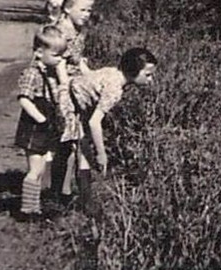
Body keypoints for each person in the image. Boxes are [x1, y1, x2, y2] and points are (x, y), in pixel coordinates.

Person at [68, 46, 159, 185]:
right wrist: (101, 153)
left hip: (75, 100)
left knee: (80, 148)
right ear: (133, 71)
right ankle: (66, 195)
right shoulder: (115, 90)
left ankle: (66, 194)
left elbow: (90, 77)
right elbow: (94, 122)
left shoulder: (111, 72)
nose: (150, 79)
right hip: (68, 103)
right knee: (73, 149)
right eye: (147, 75)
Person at [14, 24, 77, 218]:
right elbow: (24, 99)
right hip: (34, 126)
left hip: (45, 125)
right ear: (39, 52)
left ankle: (34, 206)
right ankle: (27, 209)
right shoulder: (32, 73)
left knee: (41, 167)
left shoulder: (50, 73)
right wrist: (40, 118)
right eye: (56, 55)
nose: (59, 60)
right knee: (35, 168)